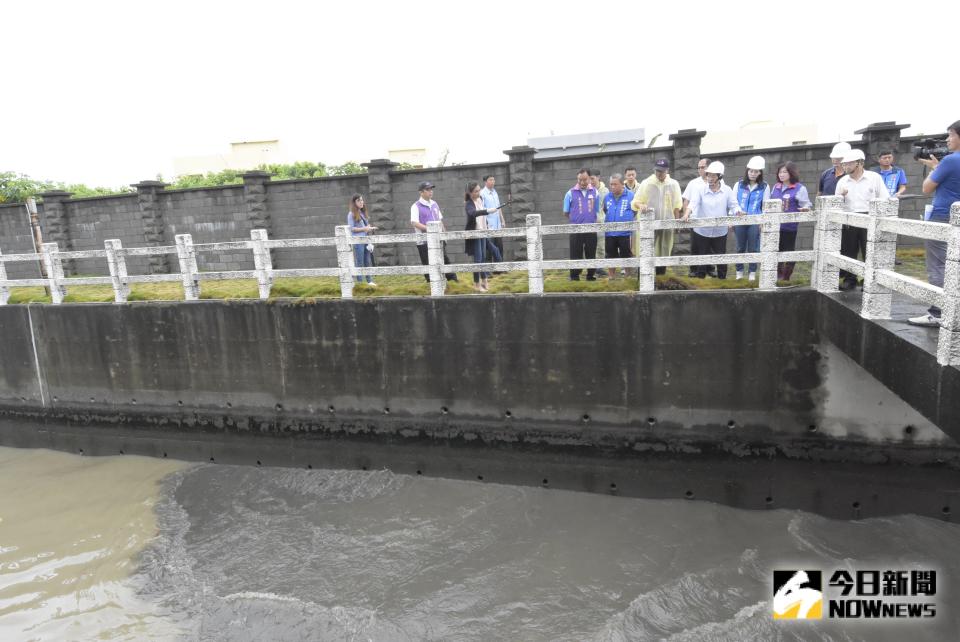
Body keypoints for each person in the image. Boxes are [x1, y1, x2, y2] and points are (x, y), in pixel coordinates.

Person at [910, 120, 960, 327]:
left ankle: (937, 312)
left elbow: (926, 188)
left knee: (939, 265)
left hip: (942, 215)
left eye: (950, 135)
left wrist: (934, 169)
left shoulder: (950, 161)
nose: (947, 139)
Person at [836, 149, 890, 290]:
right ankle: (850, 279)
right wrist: (840, 196)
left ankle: (869, 280)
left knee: (869, 250)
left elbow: (884, 198)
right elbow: (834, 204)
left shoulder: (874, 178)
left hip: (869, 217)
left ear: (859, 163)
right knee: (848, 250)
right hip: (849, 217)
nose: (845, 167)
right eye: (844, 164)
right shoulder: (842, 181)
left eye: (848, 164)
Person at [683, 161, 739, 279]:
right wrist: (687, 213)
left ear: (720, 177)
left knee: (720, 255)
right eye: (708, 175)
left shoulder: (727, 190)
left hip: (720, 230)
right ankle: (700, 278)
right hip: (702, 230)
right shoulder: (700, 189)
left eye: (713, 175)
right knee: (702, 256)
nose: (710, 178)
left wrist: (738, 211)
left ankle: (722, 279)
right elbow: (693, 203)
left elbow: (734, 205)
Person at [632, 159, 683, 275]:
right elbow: (635, 201)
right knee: (646, 250)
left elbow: (677, 205)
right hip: (649, 224)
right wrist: (641, 205)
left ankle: (660, 278)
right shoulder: (647, 183)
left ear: (667, 171)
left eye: (662, 171)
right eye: (657, 171)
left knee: (664, 250)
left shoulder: (673, 184)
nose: (659, 173)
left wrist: (676, 223)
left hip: (666, 223)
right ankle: (643, 278)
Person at [769, 161, 812, 282]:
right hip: (775, 226)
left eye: (785, 172)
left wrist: (806, 209)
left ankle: (786, 276)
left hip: (790, 226)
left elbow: (806, 203)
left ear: (791, 173)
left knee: (788, 250)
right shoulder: (776, 187)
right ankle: (778, 275)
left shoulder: (799, 188)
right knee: (776, 249)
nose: (781, 174)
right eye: (780, 172)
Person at [410, 181, 458, 283]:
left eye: (431, 189)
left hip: (438, 239)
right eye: (428, 190)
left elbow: (439, 220)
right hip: (424, 241)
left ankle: (453, 281)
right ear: (421, 192)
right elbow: (414, 223)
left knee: (445, 259)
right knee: (428, 263)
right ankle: (430, 283)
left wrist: (444, 234)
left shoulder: (434, 204)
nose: (430, 191)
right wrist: (431, 230)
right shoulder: (415, 206)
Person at [732, 157, 769, 281]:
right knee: (740, 247)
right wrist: (735, 214)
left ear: (760, 173)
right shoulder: (739, 184)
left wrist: (762, 222)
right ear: (747, 171)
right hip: (740, 220)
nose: (753, 174)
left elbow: (765, 205)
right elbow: (733, 202)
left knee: (753, 247)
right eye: (751, 171)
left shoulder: (764, 186)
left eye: (756, 171)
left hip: (755, 221)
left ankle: (752, 272)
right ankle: (739, 271)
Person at [464, 181, 503, 292]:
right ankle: (477, 284)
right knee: (478, 259)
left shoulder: (480, 199)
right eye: (476, 191)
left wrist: (487, 225)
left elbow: (482, 218)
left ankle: (485, 280)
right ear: (470, 193)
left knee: (488, 254)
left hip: (483, 232)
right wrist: (487, 211)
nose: (478, 192)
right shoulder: (469, 204)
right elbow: (473, 213)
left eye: (479, 190)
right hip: (475, 233)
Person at [563, 168, 600, 281]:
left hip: (591, 228)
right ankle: (574, 276)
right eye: (580, 180)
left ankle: (591, 275)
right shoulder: (570, 193)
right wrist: (576, 220)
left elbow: (596, 210)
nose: (582, 182)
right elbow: (566, 212)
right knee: (575, 252)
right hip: (575, 229)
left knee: (591, 252)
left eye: (584, 179)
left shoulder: (595, 192)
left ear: (589, 178)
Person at [601, 174, 635, 280]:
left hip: (625, 232)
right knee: (610, 254)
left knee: (626, 254)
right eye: (611, 184)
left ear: (622, 184)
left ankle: (628, 276)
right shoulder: (607, 197)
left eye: (615, 184)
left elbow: (634, 211)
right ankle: (611, 276)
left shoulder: (630, 195)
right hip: (610, 232)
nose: (612, 186)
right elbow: (605, 210)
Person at [683, 157, 711, 276]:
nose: (700, 170)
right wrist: (686, 215)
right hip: (695, 219)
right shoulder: (693, 183)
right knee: (695, 246)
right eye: (698, 167)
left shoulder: (718, 181)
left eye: (702, 167)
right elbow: (686, 200)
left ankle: (709, 269)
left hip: (710, 220)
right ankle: (694, 270)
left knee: (710, 246)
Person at [347, 194, 377, 286]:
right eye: (359, 200)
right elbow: (352, 229)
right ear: (354, 202)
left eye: (362, 200)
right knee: (359, 261)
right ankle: (360, 283)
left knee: (367, 260)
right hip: (358, 241)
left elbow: (365, 227)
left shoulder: (362, 213)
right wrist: (364, 229)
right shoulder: (351, 214)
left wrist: (369, 228)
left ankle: (369, 281)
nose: (361, 202)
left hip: (366, 240)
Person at [479, 175, 508, 271]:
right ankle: (488, 270)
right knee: (489, 248)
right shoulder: (482, 193)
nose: (493, 181)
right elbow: (482, 210)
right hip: (489, 225)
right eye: (490, 180)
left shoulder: (495, 192)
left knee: (499, 246)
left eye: (494, 180)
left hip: (497, 225)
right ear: (485, 181)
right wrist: (485, 224)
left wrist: (502, 220)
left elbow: (498, 208)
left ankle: (499, 269)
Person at [589, 169, 609, 276]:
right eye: (589, 179)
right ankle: (591, 267)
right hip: (589, 222)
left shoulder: (605, 191)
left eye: (592, 178)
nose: (591, 181)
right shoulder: (587, 190)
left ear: (598, 177)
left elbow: (606, 207)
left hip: (601, 222)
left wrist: (603, 217)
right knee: (590, 246)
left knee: (601, 246)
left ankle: (600, 267)